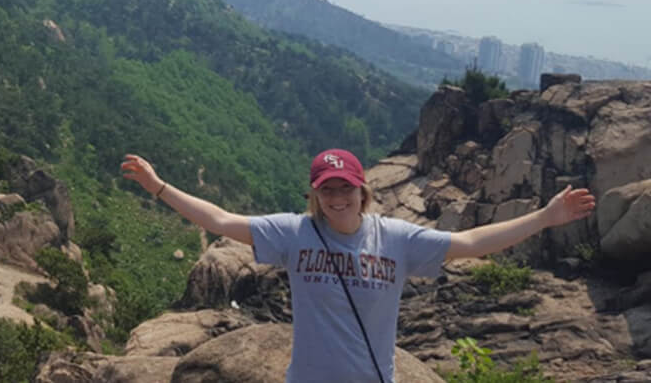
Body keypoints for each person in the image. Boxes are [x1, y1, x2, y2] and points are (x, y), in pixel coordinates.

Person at [121, 149, 595, 383]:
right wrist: (160, 188)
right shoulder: (295, 233)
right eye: (327, 189)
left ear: (362, 190)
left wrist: (547, 217)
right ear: (315, 194)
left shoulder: (394, 238)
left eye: (345, 187)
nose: (337, 197)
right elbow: (221, 221)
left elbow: (471, 242)